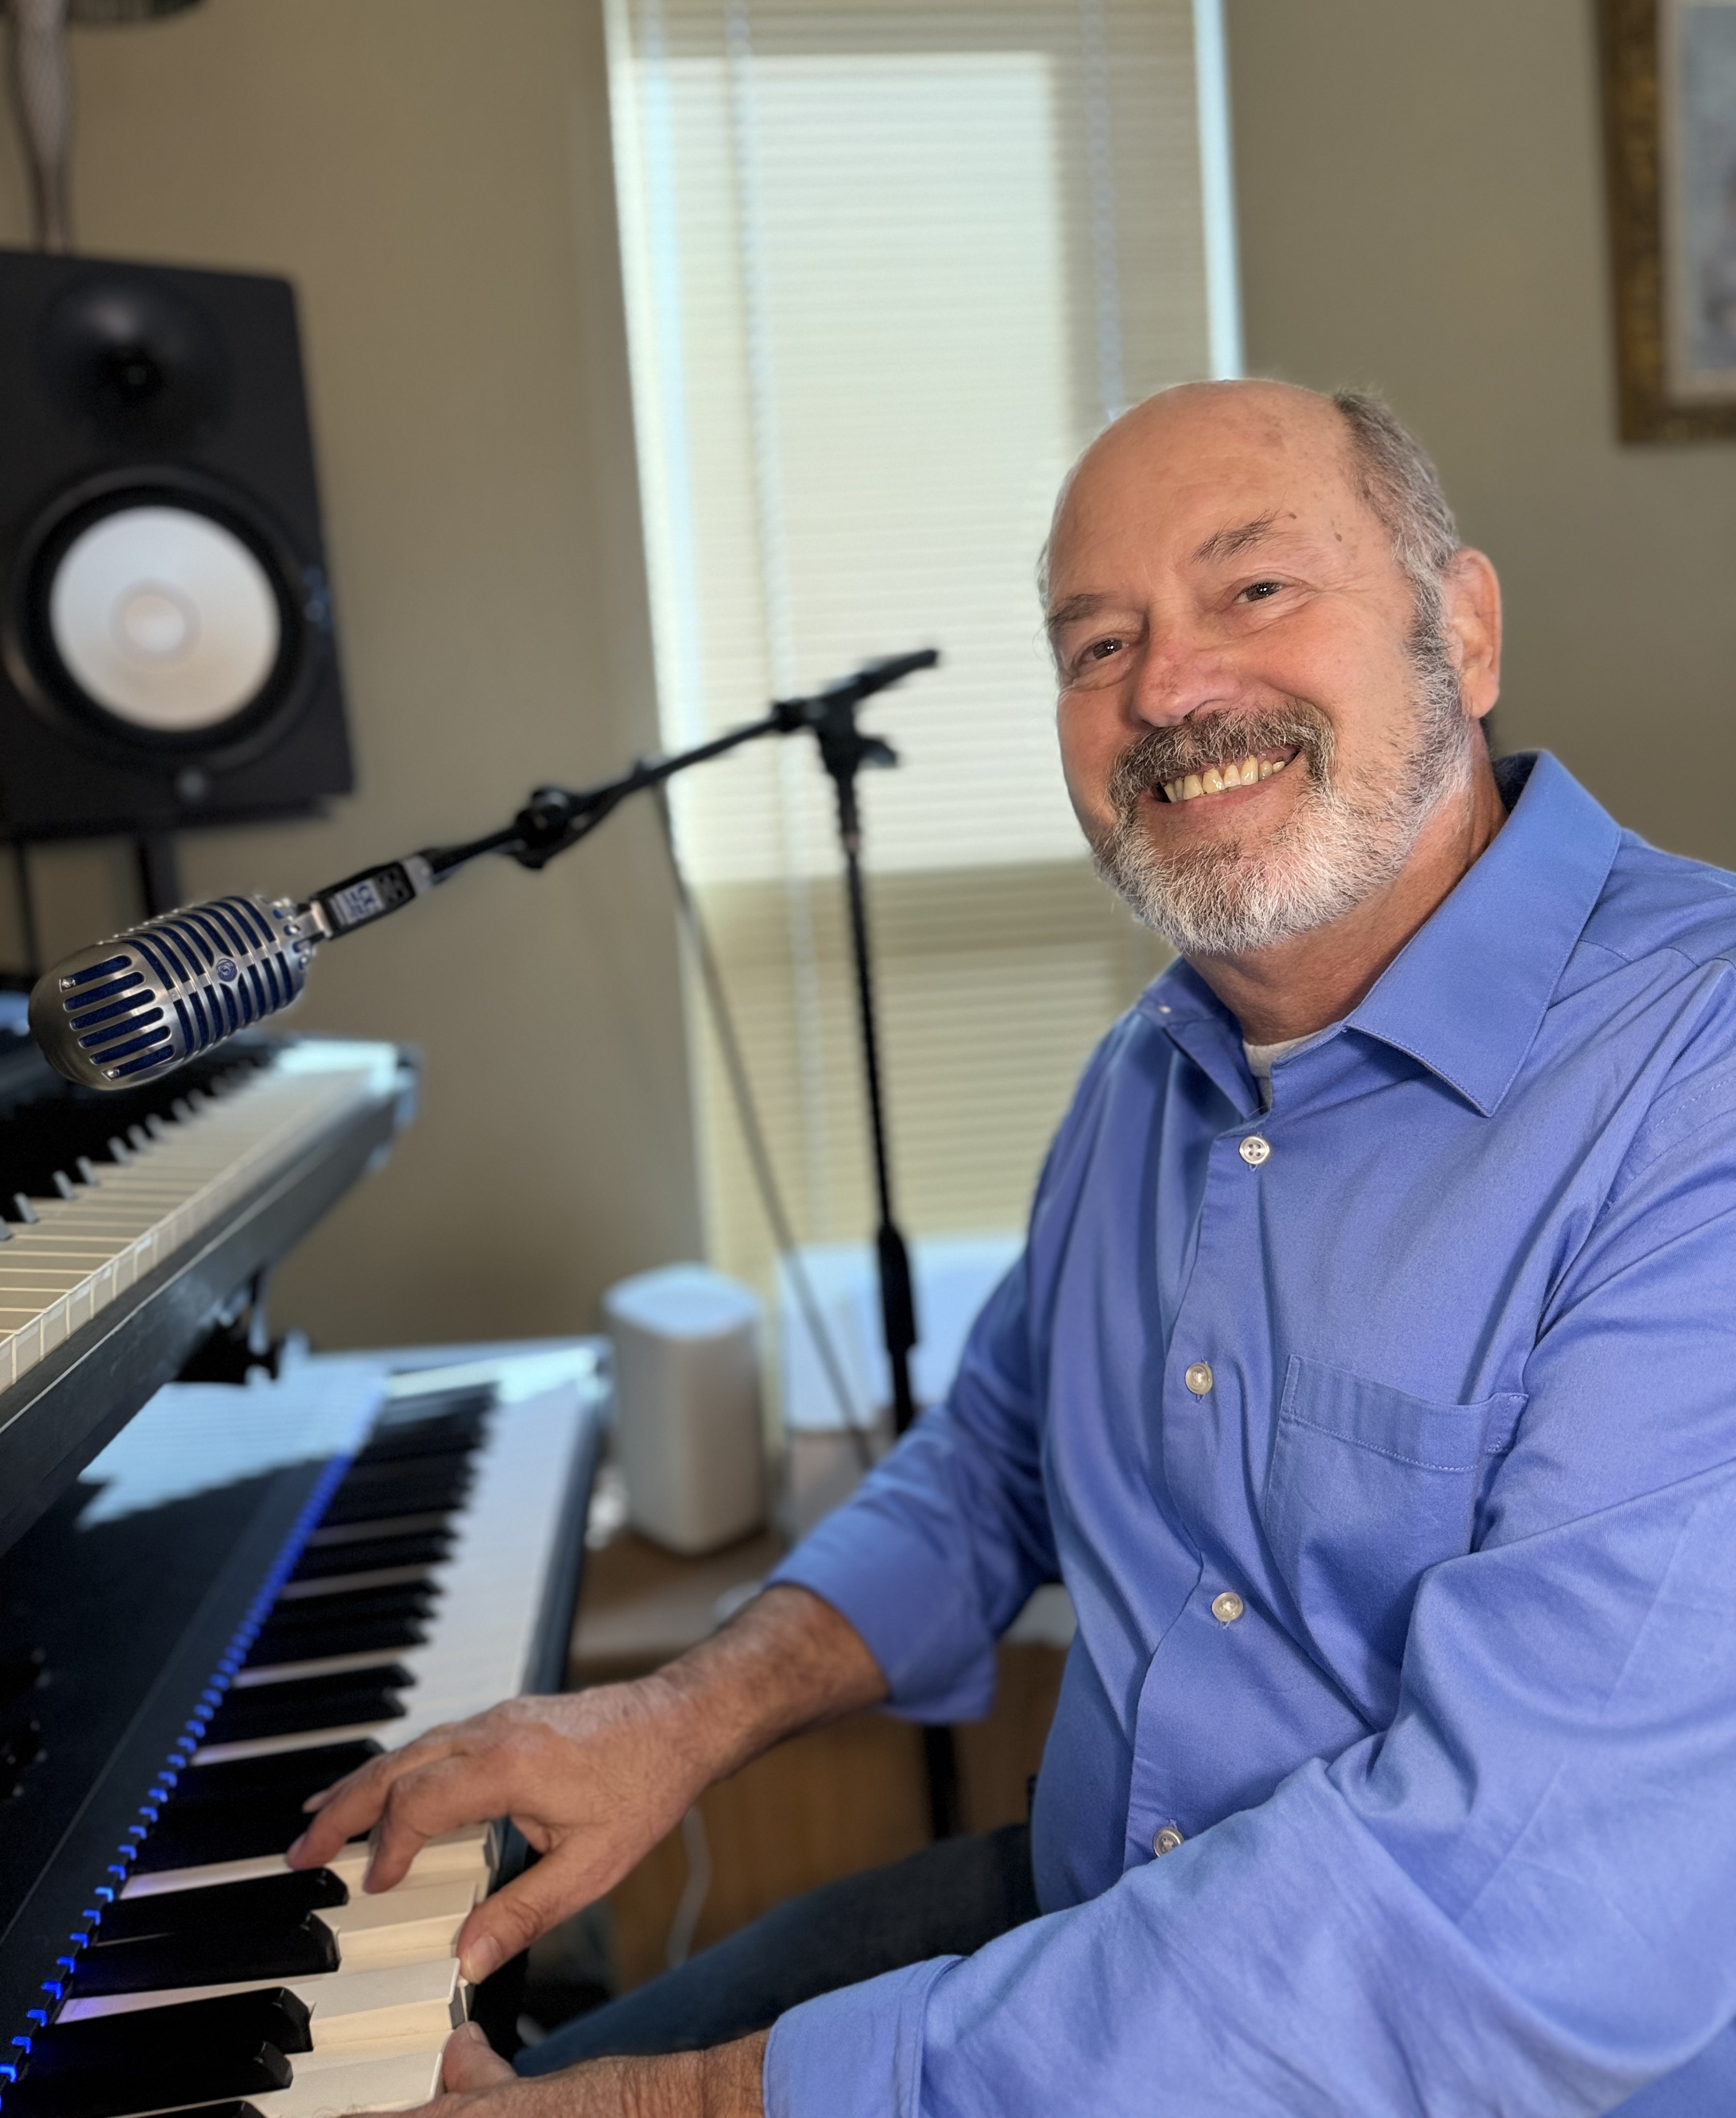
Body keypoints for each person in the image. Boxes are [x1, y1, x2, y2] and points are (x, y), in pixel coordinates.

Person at [303, 379, 1736, 2116]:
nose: (1171, 689)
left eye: (1255, 588)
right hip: (1077, 1927)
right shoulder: (1154, 1068)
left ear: (1465, 626)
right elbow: (994, 1466)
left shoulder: (1695, 1088)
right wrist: (674, 1717)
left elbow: (1494, 1918)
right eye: (1094, 642)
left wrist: (674, 2107)